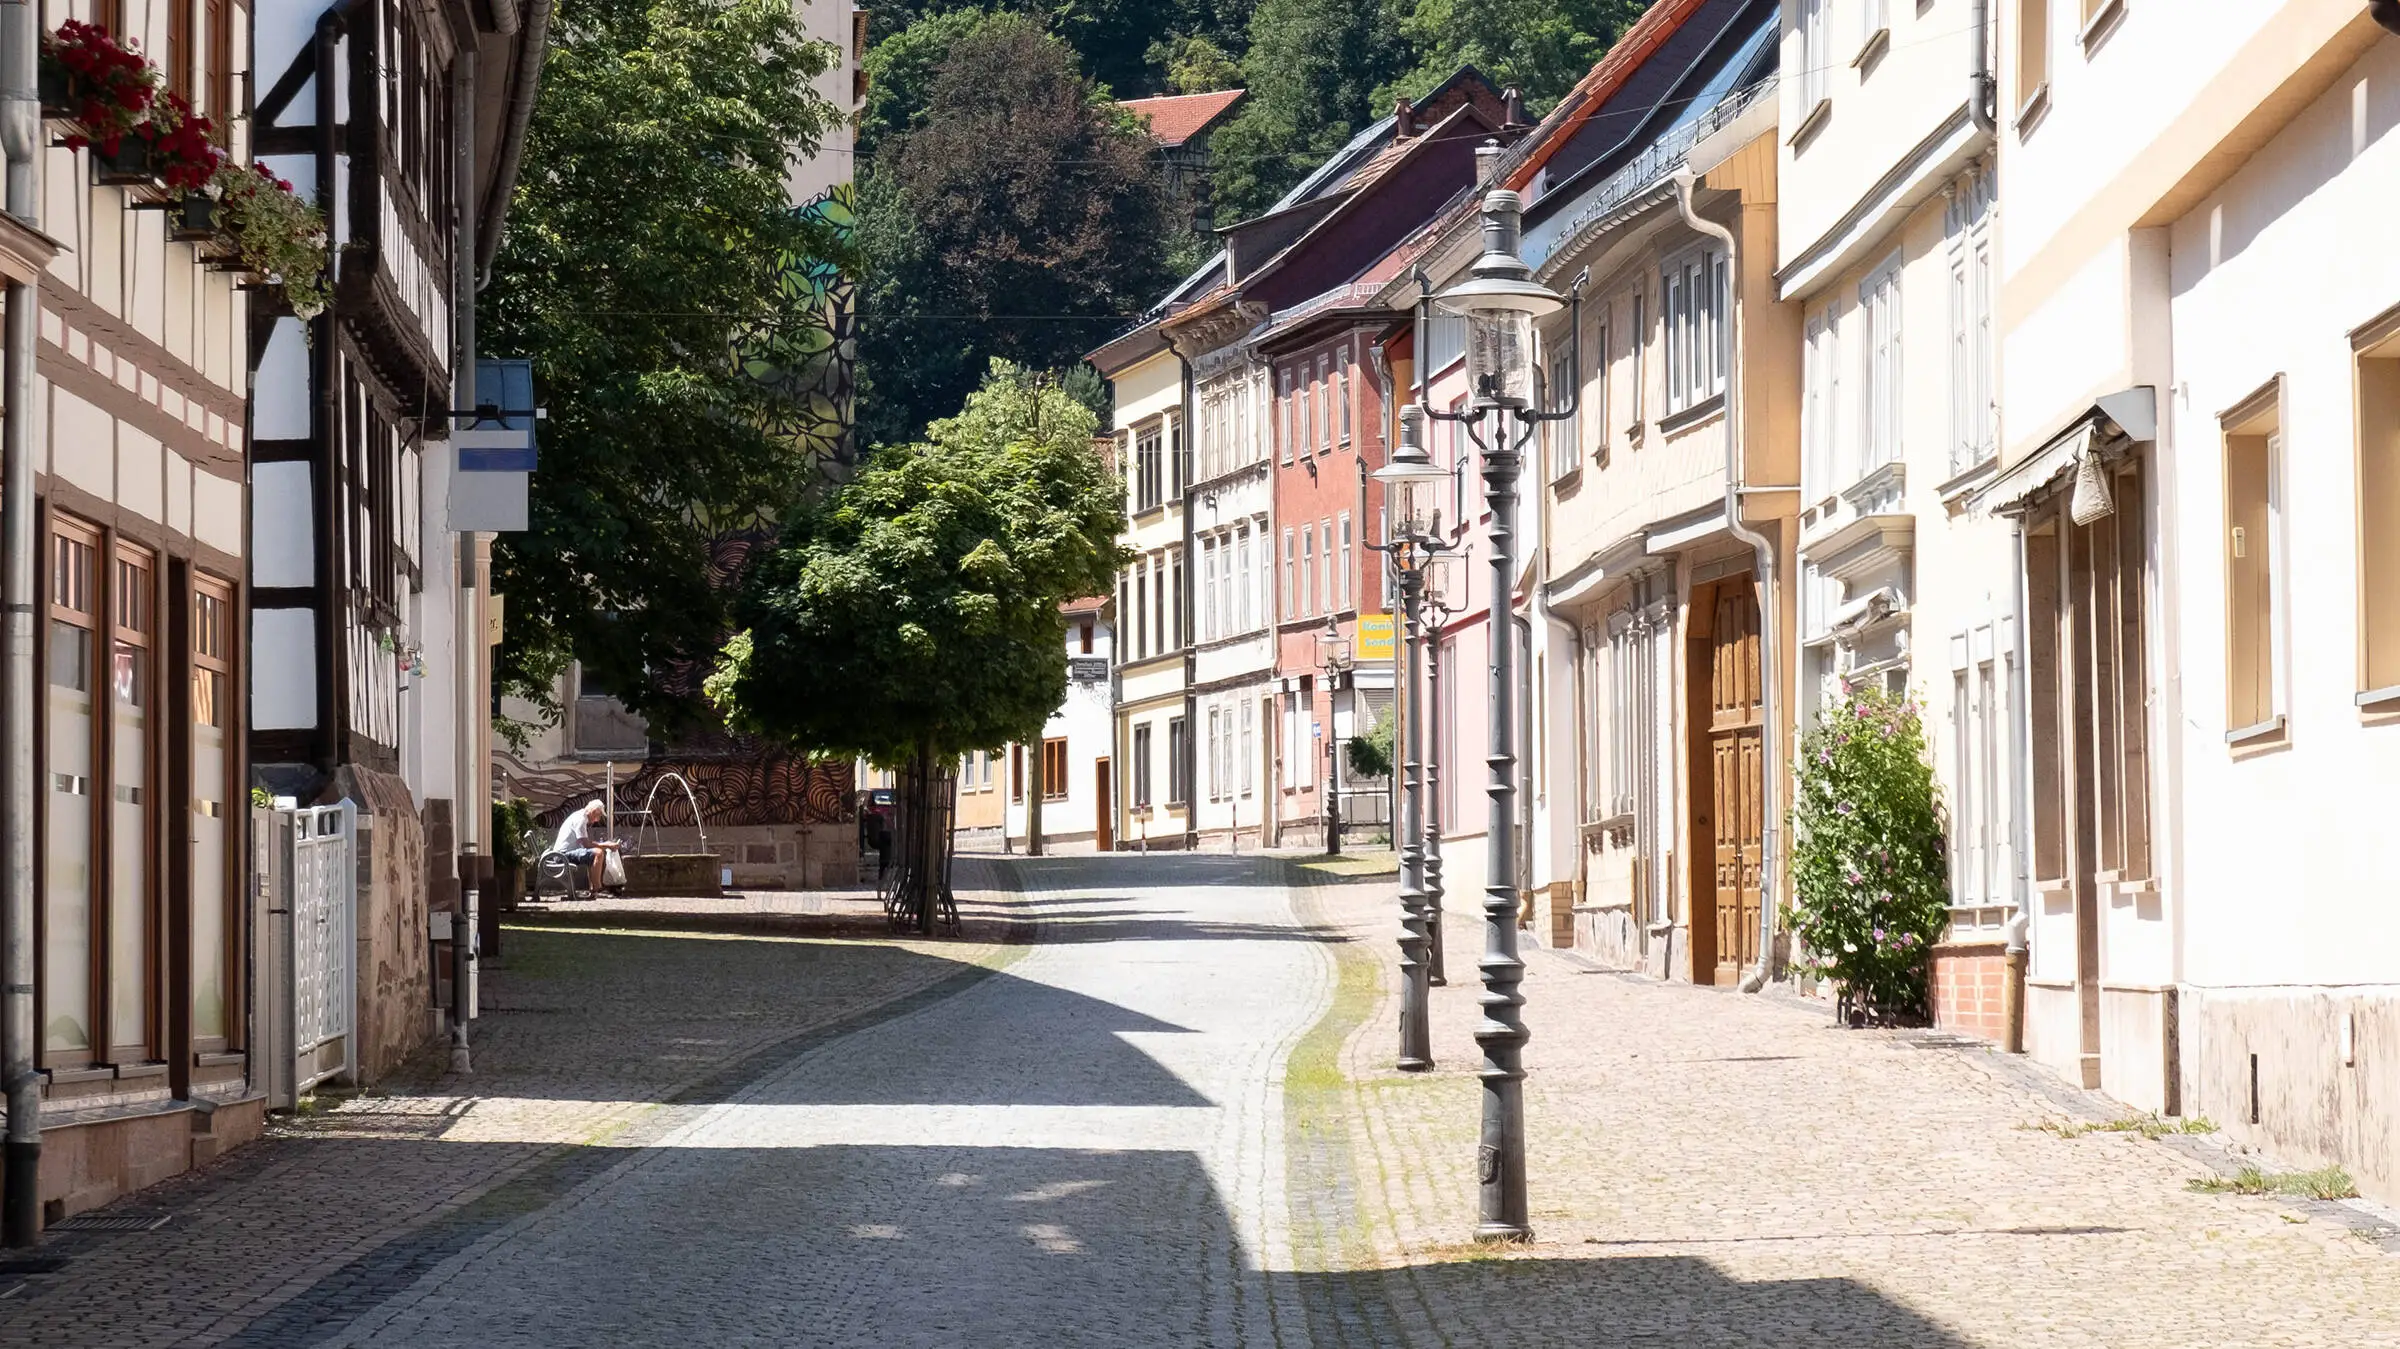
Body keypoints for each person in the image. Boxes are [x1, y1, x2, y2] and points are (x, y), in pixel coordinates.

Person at [552, 800, 621, 898]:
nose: (597, 820)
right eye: (599, 815)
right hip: (562, 855)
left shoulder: (580, 816)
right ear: (593, 812)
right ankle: (597, 889)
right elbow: (586, 844)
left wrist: (603, 844)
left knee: (592, 854)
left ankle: (593, 889)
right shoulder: (581, 820)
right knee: (598, 853)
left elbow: (586, 844)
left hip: (562, 853)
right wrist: (606, 845)